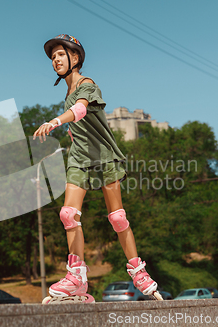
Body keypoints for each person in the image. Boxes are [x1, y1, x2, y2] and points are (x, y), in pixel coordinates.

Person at [34, 34, 162, 303]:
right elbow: (79, 122)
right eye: (53, 56)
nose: (55, 60)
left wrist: (57, 122)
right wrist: (71, 134)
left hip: (103, 156)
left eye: (60, 54)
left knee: (117, 217)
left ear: (75, 58)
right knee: (68, 214)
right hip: (80, 157)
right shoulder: (67, 92)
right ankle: (77, 277)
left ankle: (138, 271)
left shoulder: (87, 84)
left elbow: (81, 110)